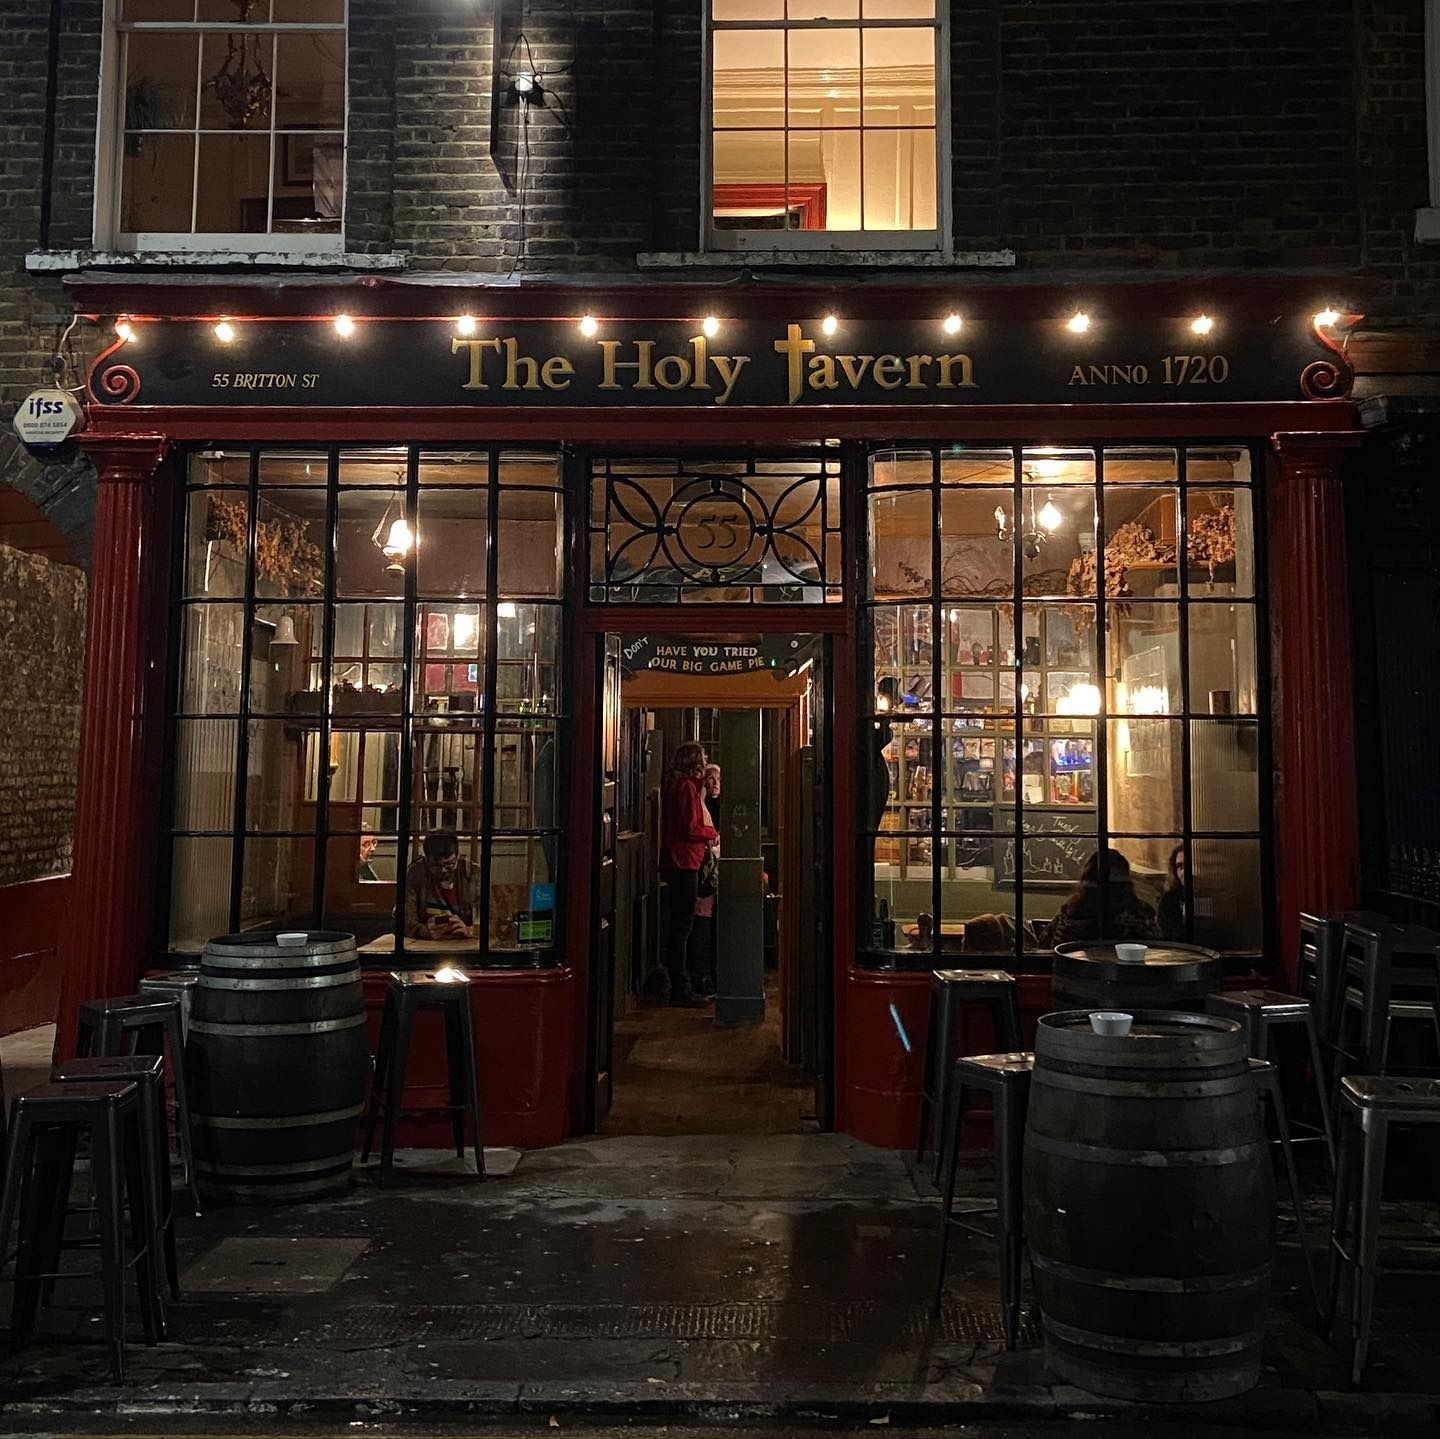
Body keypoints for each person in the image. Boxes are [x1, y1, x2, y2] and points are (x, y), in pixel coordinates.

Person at [661, 741, 719, 1007]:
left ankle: (681, 984)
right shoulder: (685, 787)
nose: (705, 760)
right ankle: (681, 988)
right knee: (683, 927)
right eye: (703, 756)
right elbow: (691, 828)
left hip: (682, 861)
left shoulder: (682, 786)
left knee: (682, 925)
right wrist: (713, 834)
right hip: (684, 861)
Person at [1049, 846, 1160, 946]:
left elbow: (1048, 945)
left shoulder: (1071, 910)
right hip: (1128, 967)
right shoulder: (1140, 911)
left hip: (1077, 966)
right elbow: (1156, 946)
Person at [403, 830, 475, 940]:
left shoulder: (472, 872)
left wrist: (469, 930)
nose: (443, 870)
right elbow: (405, 919)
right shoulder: (416, 872)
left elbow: (491, 920)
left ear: (458, 855)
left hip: (463, 941)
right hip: (426, 943)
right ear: (426, 858)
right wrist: (425, 931)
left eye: (449, 864)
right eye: (435, 866)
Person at [689, 764, 722, 996]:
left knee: (702, 924)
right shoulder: (694, 799)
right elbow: (694, 829)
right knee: (700, 924)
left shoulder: (700, 800)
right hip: (699, 866)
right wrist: (713, 835)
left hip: (700, 864)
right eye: (707, 777)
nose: (710, 782)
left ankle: (701, 976)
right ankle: (699, 978)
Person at [1156, 843, 1187, 940]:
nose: (1183, 872)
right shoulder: (1169, 900)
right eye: (1179, 866)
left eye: (1189, 865)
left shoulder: (1216, 898)